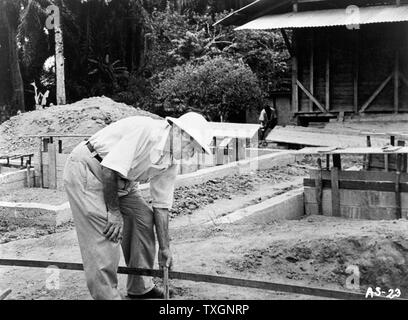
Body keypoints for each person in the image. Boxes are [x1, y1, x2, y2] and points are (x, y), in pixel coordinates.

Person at [63, 112, 212, 300]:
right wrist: (114, 213)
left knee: (143, 219)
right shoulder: (146, 131)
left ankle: (140, 288)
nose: (193, 154)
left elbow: (162, 205)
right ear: (179, 133)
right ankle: (107, 296)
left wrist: (165, 248)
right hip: (89, 169)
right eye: (193, 147)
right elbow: (109, 169)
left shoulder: (171, 160)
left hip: (121, 180)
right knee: (107, 232)